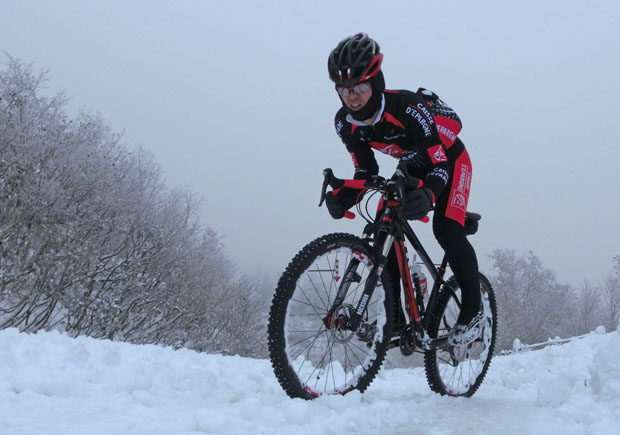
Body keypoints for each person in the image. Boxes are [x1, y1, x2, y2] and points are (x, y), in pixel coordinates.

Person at [325, 33, 482, 346]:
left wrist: (429, 195)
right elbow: (366, 171)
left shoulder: (408, 107)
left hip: (450, 161)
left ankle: (472, 313)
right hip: (410, 165)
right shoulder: (345, 123)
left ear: (376, 81)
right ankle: (395, 319)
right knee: (386, 223)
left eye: (359, 87)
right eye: (344, 89)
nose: (351, 96)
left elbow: (439, 163)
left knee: (447, 230)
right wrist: (346, 195)